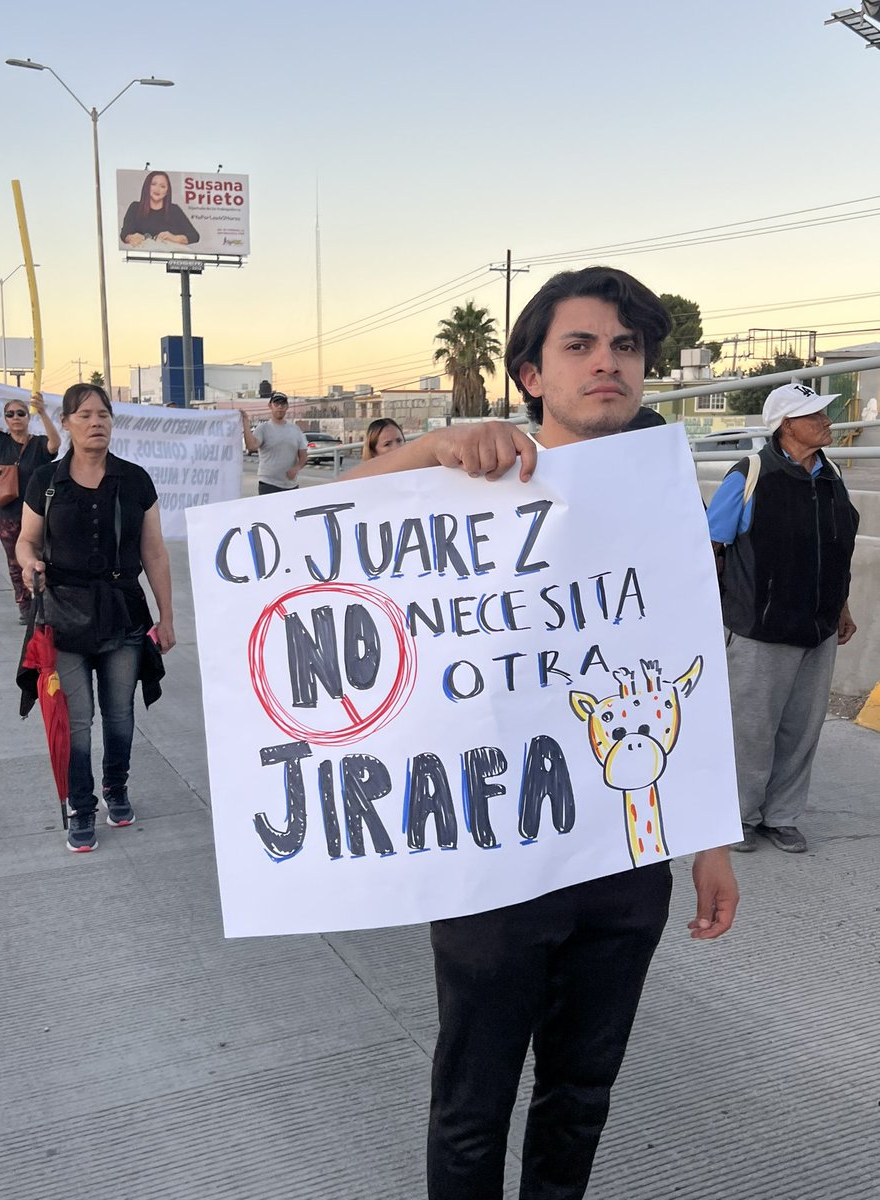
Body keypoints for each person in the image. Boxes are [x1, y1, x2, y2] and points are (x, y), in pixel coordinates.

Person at [349, 266, 739, 1200]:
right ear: (531, 374)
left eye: (626, 346)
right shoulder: (466, 486)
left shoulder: (665, 501)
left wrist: (711, 839)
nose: (608, 362)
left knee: (581, 1094)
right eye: (581, 344)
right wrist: (431, 447)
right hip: (496, 863)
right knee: (472, 1106)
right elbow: (306, 529)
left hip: (625, 859)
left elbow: (690, 663)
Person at [15, 383, 176, 853]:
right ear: (66, 423)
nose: (95, 422)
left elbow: (154, 552)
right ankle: (81, 806)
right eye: (84, 415)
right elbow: (26, 540)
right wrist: (28, 563)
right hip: (63, 614)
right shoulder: (45, 480)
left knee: (120, 712)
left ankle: (116, 786)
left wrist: (167, 617)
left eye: (103, 414)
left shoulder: (135, 480)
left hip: (123, 611)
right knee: (77, 718)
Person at [707, 382, 859, 854]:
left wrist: (841, 607)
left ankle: (782, 817)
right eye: (815, 415)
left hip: (819, 629)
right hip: (759, 629)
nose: (827, 422)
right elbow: (710, 547)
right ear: (787, 425)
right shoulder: (750, 475)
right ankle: (740, 816)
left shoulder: (832, 476)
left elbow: (838, 550)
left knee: (802, 730)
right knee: (751, 731)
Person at [0, 376, 60, 623]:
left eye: (21, 413)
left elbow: (55, 444)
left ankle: (45, 601)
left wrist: (43, 412)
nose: (16, 417)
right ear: (5, 419)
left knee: (43, 558)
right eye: (10, 414)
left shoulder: (39, 444)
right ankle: (25, 605)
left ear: (28, 417)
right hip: (7, 514)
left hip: (36, 513)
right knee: (15, 562)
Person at [241, 392, 308, 494]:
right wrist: (245, 422)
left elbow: (303, 455)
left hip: (291, 486)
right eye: (276, 404)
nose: (280, 407)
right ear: (270, 406)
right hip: (268, 484)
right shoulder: (263, 428)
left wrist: (297, 468)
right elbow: (251, 446)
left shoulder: (295, 429)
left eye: (283, 404)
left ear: (287, 407)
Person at [120, 171, 200, 247]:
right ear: (147, 187)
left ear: (167, 191)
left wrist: (174, 238)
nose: (157, 189)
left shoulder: (175, 210)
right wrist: (131, 238)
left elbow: (194, 236)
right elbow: (124, 234)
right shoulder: (135, 207)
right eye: (154, 184)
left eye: (162, 186)